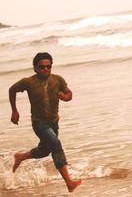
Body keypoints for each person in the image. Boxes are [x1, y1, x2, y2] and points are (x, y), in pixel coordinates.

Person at [9, 52, 82, 193]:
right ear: (35, 68)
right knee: (56, 145)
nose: (46, 70)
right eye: (42, 67)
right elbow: (12, 90)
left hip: (53, 123)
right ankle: (69, 183)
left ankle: (21, 157)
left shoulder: (58, 80)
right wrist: (14, 111)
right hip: (39, 123)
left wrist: (65, 97)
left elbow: (69, 94)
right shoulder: (28, 82)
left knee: (44, 151)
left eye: (48, 67)